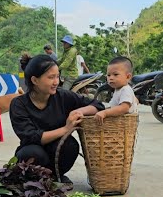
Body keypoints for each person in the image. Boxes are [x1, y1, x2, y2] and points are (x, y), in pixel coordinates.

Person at [9, 54, 105, 187]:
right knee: (34, 153)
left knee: (70, 145)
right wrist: (66, 129)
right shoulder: (18, 104)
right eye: (51, 77)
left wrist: (78, 111)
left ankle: (55, 176)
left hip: (56, 149)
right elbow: (32, 137)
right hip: (31, 151)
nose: (56, 82)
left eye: (57, 76)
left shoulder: (63, 96)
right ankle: (34, 178)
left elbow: (98, 105)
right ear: (35, 80)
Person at [94, 56, 137, 125]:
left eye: (115, 74)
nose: (111, 78)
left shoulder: (125, 90)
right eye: (108, 75)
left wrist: (105, 113)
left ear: (128, 77)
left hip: (122, 126)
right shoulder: (118, 90)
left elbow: (124, 108)